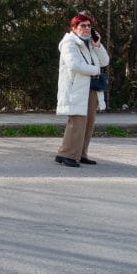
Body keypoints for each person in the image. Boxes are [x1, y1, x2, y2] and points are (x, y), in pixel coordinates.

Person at [55, 13, 110, 167]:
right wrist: (95, 70)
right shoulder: (69, 43)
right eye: (82, 25)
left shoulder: (90, 44)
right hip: (76, 89)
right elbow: (75, 65)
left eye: (89, 26)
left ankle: (80, 154)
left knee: (88, 123)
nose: (86, 28)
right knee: (77, 122)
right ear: (74, 28)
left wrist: (98, 44)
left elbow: (105, 61)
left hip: (91, 89)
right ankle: (68, 154)